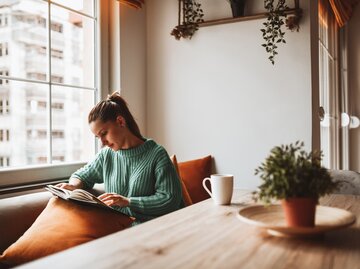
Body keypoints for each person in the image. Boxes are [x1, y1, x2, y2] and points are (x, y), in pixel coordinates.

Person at [57, 91, 184, 224]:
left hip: (156, 228)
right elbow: (80, 175)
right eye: (98, 137)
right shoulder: (106, 155)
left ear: (120, 121)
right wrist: (73, 186)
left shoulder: (156, 154)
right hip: (120, 230)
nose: (102, 142)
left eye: (104, 133)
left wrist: (128, 202)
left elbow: (170, 200)